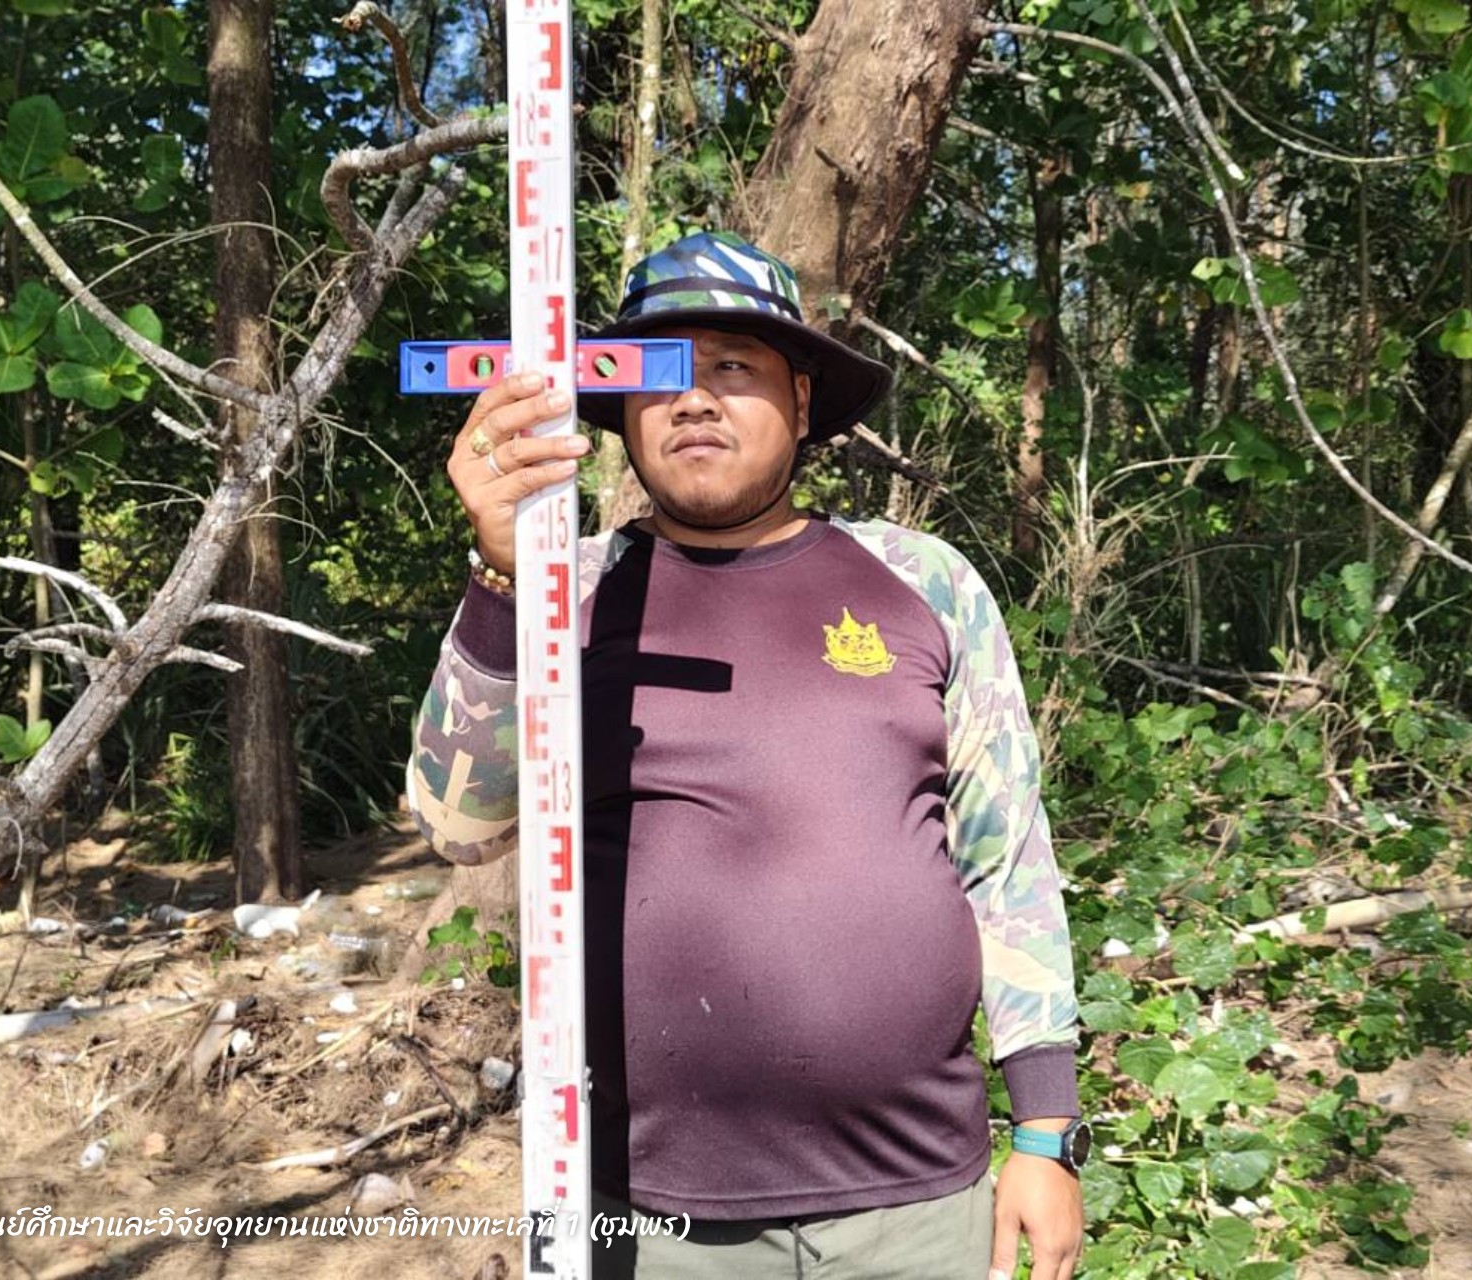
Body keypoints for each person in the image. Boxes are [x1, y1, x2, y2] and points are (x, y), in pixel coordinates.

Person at [406, 231, 1086, 1280]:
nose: (693, 399)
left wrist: (1045, 1132)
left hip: (917, 1206)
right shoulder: (564, 590)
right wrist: (501, 580)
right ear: (619, 412)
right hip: (654, 1220)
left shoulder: (924, 582)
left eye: (733, 366)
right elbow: (456, 825)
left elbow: (1008, 863)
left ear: (803, 404)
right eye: (658, 371)